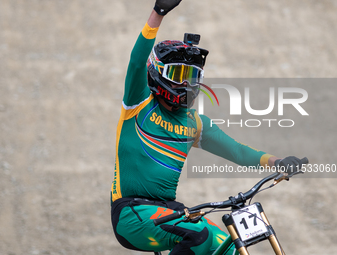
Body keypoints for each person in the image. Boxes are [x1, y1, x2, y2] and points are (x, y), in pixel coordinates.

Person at [111, 1, 303, 254]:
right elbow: (136, 62)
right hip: (131, 213)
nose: (188, 84)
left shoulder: (195, 123)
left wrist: (277, 162)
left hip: (171, 210)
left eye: (193, 77)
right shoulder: (139, 104)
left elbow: (238, 151)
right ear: (158, 73)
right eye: (180, 74)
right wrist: (158, 13)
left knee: (229, 247)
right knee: (199, 235)